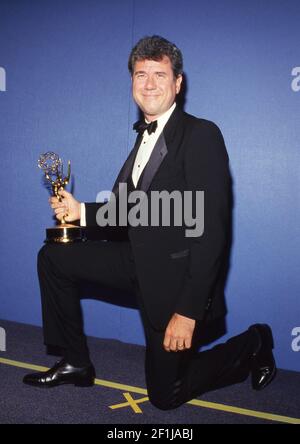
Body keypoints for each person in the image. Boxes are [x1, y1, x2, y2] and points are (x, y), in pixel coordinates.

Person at [23, 36, 276, 410]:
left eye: (160, 74)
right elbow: (131, 211)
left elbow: (211, 234)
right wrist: (81, 212)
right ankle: (76, 361)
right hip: (135, 260)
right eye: (141, 74)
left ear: (178, 83)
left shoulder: (201, 134)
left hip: (175, 281)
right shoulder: (141, 140)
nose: (149, 83)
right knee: (54, 257)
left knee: (165, 395)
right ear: (132, 83)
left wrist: (189, 311)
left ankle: (254, 342)